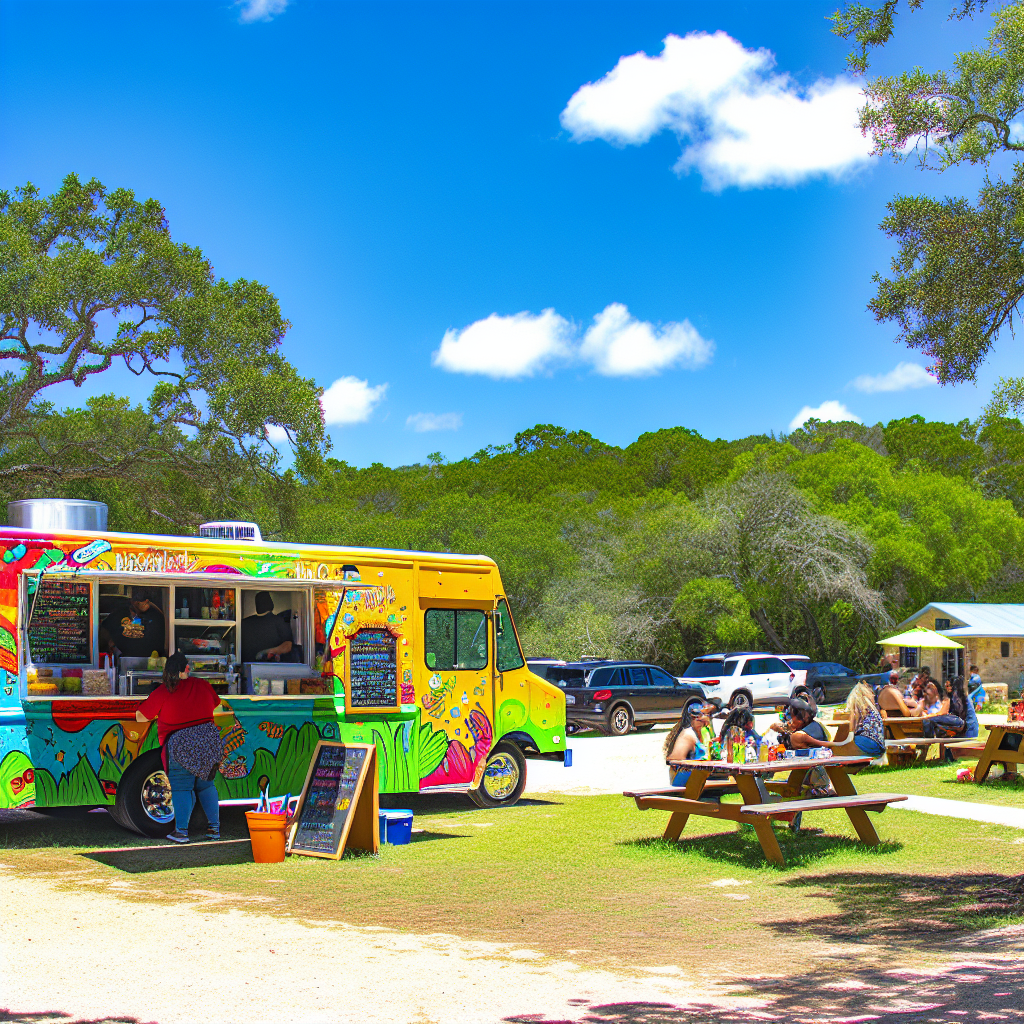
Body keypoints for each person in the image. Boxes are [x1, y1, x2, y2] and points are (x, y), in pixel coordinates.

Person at [135, 652, 228, 843]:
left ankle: (182, 832)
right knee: (206, 786)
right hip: (208, 741)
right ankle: (215, 830)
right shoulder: (203, 685)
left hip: (180, 744)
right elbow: (216, 705)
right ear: (187, 668)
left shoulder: (163, 691)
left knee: (182, 788)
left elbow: (141, 717)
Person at [101, 587, 166, 659]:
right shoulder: (120, 613)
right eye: (140, 599)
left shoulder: (155, 615)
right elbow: (103, 631)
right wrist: (110, 645)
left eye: (147, 600)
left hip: (150, 660)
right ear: (132, 601)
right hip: (124, 658)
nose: (145, 601)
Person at [664, 703, 717, 787]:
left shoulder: (706, 733)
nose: (708, 720)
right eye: (707, 716)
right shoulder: (688, 735)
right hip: (685, 784)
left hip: (700, 780)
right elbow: (673, 761)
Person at [240, 591, 293, 663]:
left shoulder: (244, 623)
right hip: (270, 669)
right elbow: (288, 646)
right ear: (271, 603)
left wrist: (265, 652)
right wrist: (269, 652)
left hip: (246, 667)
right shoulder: (278, 621)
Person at [841, 682, 886, 758]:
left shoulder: (859, 706)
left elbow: (852, 725)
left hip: (866, 741)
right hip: (879, 745)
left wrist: (850, 732)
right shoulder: (872, 707)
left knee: (843, 746)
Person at [920, 678, 967, 748]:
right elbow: (920, 712)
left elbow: (942, 713)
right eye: (928, 687)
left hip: (949, 720)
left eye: (932, 687)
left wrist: (928, 716)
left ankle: (929, 741)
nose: (929, 689)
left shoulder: (945, 700)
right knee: (927, 721)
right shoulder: (923, 701)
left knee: (931, 720)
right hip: (936, 723)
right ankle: (930, 740)